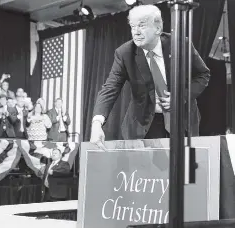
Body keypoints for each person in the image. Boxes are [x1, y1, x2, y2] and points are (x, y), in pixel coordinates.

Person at [90, 5, 210, 149]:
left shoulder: (180, 45)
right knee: (145, 170)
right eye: (133, 27)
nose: (136, 32)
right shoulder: (124, 53)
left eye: (142, 26)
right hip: (143, 124)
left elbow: (203, 74)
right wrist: (97, 123)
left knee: (182, 168)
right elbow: (110, 88)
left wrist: (181, 96)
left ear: (158, 28)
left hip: (181, 120)